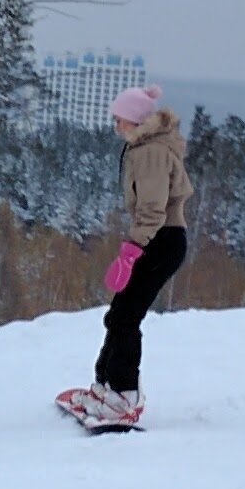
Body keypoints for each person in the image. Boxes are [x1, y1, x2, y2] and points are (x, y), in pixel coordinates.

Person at [67, 84, 191, 429]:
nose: (115, 126)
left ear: (135, 120)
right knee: (119, 314)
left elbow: (153, 208)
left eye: (118, 119)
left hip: (161, 240)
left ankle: (123, 395)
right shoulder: (144, 147)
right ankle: (105, 387)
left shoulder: (149, 153)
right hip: (157, 238)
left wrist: (132, 249)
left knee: (126, 317)